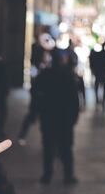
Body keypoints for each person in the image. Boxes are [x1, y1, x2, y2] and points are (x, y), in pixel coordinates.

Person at [35, 53, 82, 184]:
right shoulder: (68, 76)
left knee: (48, 148)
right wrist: (74, 116)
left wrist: (37, 111)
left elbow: (35, 94)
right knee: (66, 148)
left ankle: (47, 175)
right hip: (64, 119)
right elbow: (74, 99)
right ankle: (68, 175)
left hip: (48, 117)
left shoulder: (44, 75)